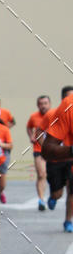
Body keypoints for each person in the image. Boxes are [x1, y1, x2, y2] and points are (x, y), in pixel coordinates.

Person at [40, 86, 73, 232]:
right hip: (58, 158)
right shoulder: (58, 111)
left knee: (71, 192)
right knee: (58, 193)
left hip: (69, 160)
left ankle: (68, 220)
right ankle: (53, 197)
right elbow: (40, 132)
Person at [26, 95, 51, 211]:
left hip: (53, 150)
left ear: (49, 104)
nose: (43, 106)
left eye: (45, 103)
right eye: (41, 104)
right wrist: (31, 136)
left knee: (51, 175)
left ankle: (53, 195)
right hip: (38, 150)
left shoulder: (55, 115)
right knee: (41, 174)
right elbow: (28, 127)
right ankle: (41, 199)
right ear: (37, 105)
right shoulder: (34, 117)